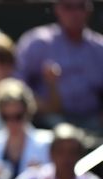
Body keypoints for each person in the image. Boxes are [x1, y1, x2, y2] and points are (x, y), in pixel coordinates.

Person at [15, 0, 103, 133]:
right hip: (48, 122)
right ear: (57, 9)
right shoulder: (38, 42)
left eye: (81, 7)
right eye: (68, 7)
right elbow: (17, 83)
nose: (75, 13)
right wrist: (44, 106)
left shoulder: (99, 48)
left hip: (93, 121)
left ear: (89, 10)